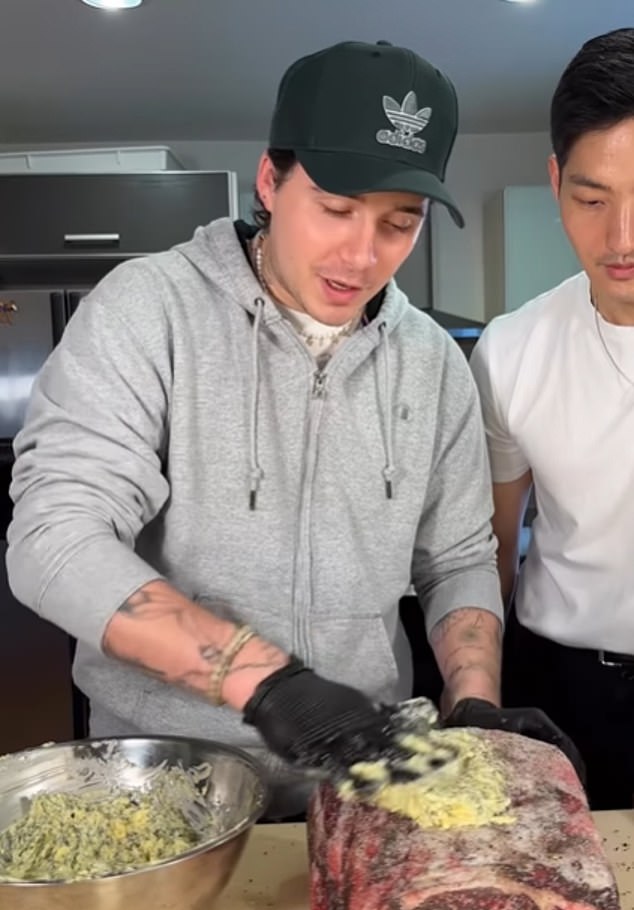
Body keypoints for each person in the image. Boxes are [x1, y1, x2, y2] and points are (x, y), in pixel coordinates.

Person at [6, 40, 580, 819]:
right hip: (163, 781)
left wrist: (472, 699)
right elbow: (54, 540)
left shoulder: (433, 363)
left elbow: (458, 559)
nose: (362, 254)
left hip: (357, 780)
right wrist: (266, 681)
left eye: (398, 223)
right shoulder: (148, 311)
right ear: (270, 180)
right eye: (337, 208)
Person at [470, 28, 634, 812]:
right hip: (560, 684)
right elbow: (490, 550)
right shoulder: (511, 349)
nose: (622, 238)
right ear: (553, 181)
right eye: (591, 198)